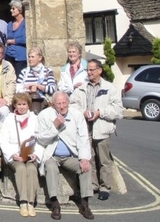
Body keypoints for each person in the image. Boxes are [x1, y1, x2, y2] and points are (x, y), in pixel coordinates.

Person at [35, 91, 94, 220]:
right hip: (52, 155)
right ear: (53, 105)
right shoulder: (44, 115)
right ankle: (55, 204)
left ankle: (84, 204)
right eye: (59, 103)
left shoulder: (77, 115)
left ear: (68, 103)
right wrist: (54, 126)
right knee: (50, 167)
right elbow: (40, 138)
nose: (62, 106)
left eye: (64, 103)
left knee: (86, 167)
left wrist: (84, 158)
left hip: (70, 155)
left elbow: (83, 138)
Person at [70, 59, 124, 201]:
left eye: (92, 70)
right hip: (85, 128)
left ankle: (104, 187)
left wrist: (100, 112)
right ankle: (92, 184)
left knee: (104, 160)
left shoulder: (110, 88)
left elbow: (118, 110)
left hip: (102, 128)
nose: (89, 72)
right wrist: (83, 112)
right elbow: (72, 105)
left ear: (100, 70)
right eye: (87, 70)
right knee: (89, 157)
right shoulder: (81, 88)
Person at [0, 93, 39, 217]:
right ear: (15, 105)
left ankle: (31, 202)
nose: (22, 107)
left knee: (32, 169)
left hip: (30, 154)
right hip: (15, 155)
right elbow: (3, 139)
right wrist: (13, 154)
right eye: (19, 104)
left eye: (24, 104)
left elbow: (40, 139)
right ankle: (23, 202)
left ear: (28, 105)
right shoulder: (10, 119)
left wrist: (35, 154)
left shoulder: (34, 118)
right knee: (21, 168)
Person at [16, 47, 56, 114]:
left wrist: (37, 86)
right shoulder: (24, 72)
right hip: (26, 102)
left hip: (42, 102)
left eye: (32, 57)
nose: (30, 59)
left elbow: (52, 89)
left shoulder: (47, 71)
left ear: (39, 58)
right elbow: (17, 89)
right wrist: (28, 89)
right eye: (29, 57)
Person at [6, 0, 27, 74]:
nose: (11, 10)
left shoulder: (26, 23)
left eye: (13, 8)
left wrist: (13, 41)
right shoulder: (9, 24)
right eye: (11, 8)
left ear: (20, 10)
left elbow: (26, 39)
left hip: (20, 57)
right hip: (8, 56)